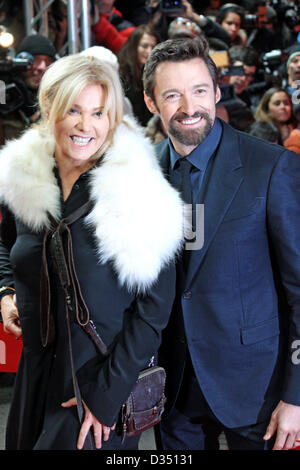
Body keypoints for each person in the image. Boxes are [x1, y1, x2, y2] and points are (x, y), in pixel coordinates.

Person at [0, 53, 183, 450]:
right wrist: (5, 292)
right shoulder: (23, 175)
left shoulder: (137, 190)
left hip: (96, 384)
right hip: (35, 376)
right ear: (49, 107)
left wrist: (106, 396)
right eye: (74, 110)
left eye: (100, 113)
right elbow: (6, 243)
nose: (87, 126)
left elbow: (154, 310)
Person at [143, 36, 300, 450]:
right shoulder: (137, 174)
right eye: (172, 94)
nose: (189, 107)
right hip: (170, 392)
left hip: (257, 391)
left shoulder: (271, 167)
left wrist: (297, 396)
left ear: (216, 92)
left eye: (198, 90)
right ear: (150, 102)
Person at [0, 34, 56, 146]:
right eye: (36, 60)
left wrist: (32, 113)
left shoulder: (55, 99)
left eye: (48, 61)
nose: (41, 67)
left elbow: (54, 142)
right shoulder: (4, 86)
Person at [118, 24, 160, 126]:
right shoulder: (122, 72)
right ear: (134, 46)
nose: (149, 51)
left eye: (153, 47)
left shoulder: (157, 71)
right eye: (144, 46)